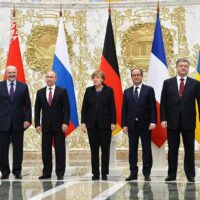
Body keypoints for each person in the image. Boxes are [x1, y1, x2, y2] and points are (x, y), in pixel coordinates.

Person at [160, 58, 200, 182]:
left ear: (188, 68)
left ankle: (190, 175)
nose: (183, 68)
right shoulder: (168, 83)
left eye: (186, 66)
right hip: (172, 122)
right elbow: (163, 103)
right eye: (181, 66)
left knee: (189, 149)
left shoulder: (195, 84)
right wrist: (163, 119)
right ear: (176, 68)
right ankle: (171, 174)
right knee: (172, 149)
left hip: (189, 122)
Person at [122, 68, 157, 181]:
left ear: (142, 76)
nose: (136, 77)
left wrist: (153, 121)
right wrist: (124, 124)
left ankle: (146, 173)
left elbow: (153, 107)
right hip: (131, 125)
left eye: (138, 75)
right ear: (131, 77)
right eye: (134, 75)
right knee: (132, 150)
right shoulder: (127, 91)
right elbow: (124, 109)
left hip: (145, 125)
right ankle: (133, 172)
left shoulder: (149, 90)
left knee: (146, 149)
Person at [81, 70, 116, 181]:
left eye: (97, 77)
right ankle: (95, 173)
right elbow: (84, 108)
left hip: (105, 125)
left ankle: (104, 173)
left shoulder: (109, 91)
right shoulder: (88, 91)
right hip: (92, 125)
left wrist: (113, 122)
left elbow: (112, 108)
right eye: (94, 77)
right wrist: (83, 123)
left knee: (105, 150)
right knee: (94, 150)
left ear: (102, 79)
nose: (95, 79)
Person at [35, 71, 70, 180]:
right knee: (45, 150)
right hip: (45, 125)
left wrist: (65, 123)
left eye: (51, 77)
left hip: (59, 125)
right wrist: (37, 124)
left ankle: (60, 173)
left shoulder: (62, 91)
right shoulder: (40, 92)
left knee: (60, 150)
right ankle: (46, 173)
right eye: (47, 77)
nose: (49, 79)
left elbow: (67, 109)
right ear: (45, 78)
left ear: (55, 79)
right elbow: (37, 109)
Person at [0, 65, 32, 180]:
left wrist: (27, 120)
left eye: (14, 72)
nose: (12, 75)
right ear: (6, 73)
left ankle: (17, 171)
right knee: (2, 149)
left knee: (18, 149)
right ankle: (4, 171)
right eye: (10, 73)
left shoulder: (23, 87)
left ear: (16, 73)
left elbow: (27, 106)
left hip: (18, 123)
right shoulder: (0, 86)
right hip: (2, 123)